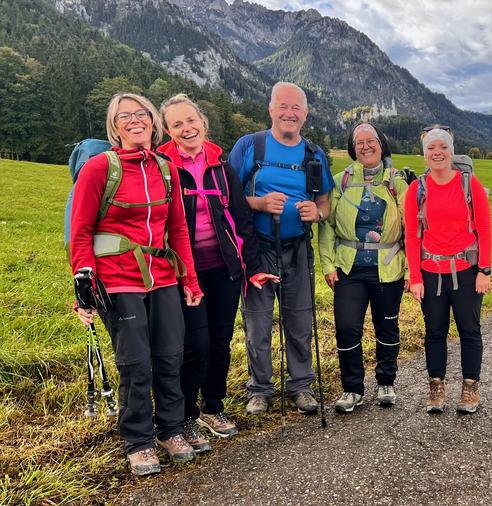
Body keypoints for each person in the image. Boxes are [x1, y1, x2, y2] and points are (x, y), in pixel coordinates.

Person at [70, 93, 202, 475]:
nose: (134, 120)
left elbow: (177, 228)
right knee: (135, 364)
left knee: (170, 356)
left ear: (151, 121)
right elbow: (81, 231)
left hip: (161, 276)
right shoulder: (99, 169)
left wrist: (189, 279)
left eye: (140, 114)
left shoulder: (165, 169)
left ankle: (171, 430)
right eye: (124, 116)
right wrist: (83, 288)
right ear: (115, 126)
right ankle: (138, 440)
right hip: (117, 277)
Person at [158, 94, 278, 450]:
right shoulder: (162, 167)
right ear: (167, 130)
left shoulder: (221, 169)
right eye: (177, 124)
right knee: (193, 346)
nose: (187, 128)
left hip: (225, 270)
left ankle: (212, 407)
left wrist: (253, 268)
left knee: (220, 344)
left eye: (191, 120)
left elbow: (242, 221)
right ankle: (185, 417)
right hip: (183, 272)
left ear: (202, 122)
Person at [228, 82, 336, 416]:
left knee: (300, 320)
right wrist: (258, 203)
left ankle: (301, 386)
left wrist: (316, 213)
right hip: (257, 250)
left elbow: (325, 201)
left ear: (305, 114)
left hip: (298, 249)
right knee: (258, 323)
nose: (290, 113)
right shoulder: (250, 146)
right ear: (271, 109)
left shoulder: (313, 154)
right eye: (283, 106)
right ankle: (260, 389)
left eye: (296, 108)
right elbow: (226, 197)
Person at [318, 123, 408, 413]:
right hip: (348, 268)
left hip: (388, 268)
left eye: (372, 141)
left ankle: (386, 382)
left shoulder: (397, 181)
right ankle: (352, 389)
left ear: (382, 145)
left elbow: (411, 228)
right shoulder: (340, 181)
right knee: (346, 329)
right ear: (352, 148)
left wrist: (411, 268)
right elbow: (327, 228)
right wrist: (328, 266)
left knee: (387, 327)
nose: (366, 147)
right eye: (360, 143)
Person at [404, 125, 492, 414]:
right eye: (431, 148)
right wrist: (415, 277)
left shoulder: (469, 184)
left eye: (442, 147)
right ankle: (436, 385)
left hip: (466, 270)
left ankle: (470, 386)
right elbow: (412, 235)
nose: (437, 152)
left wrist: (484, 270)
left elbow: (485, 228)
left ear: (451, 152)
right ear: (425, 154)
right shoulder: (417, 189)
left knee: (469, 330)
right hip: (430, 271)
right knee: (435, 331)